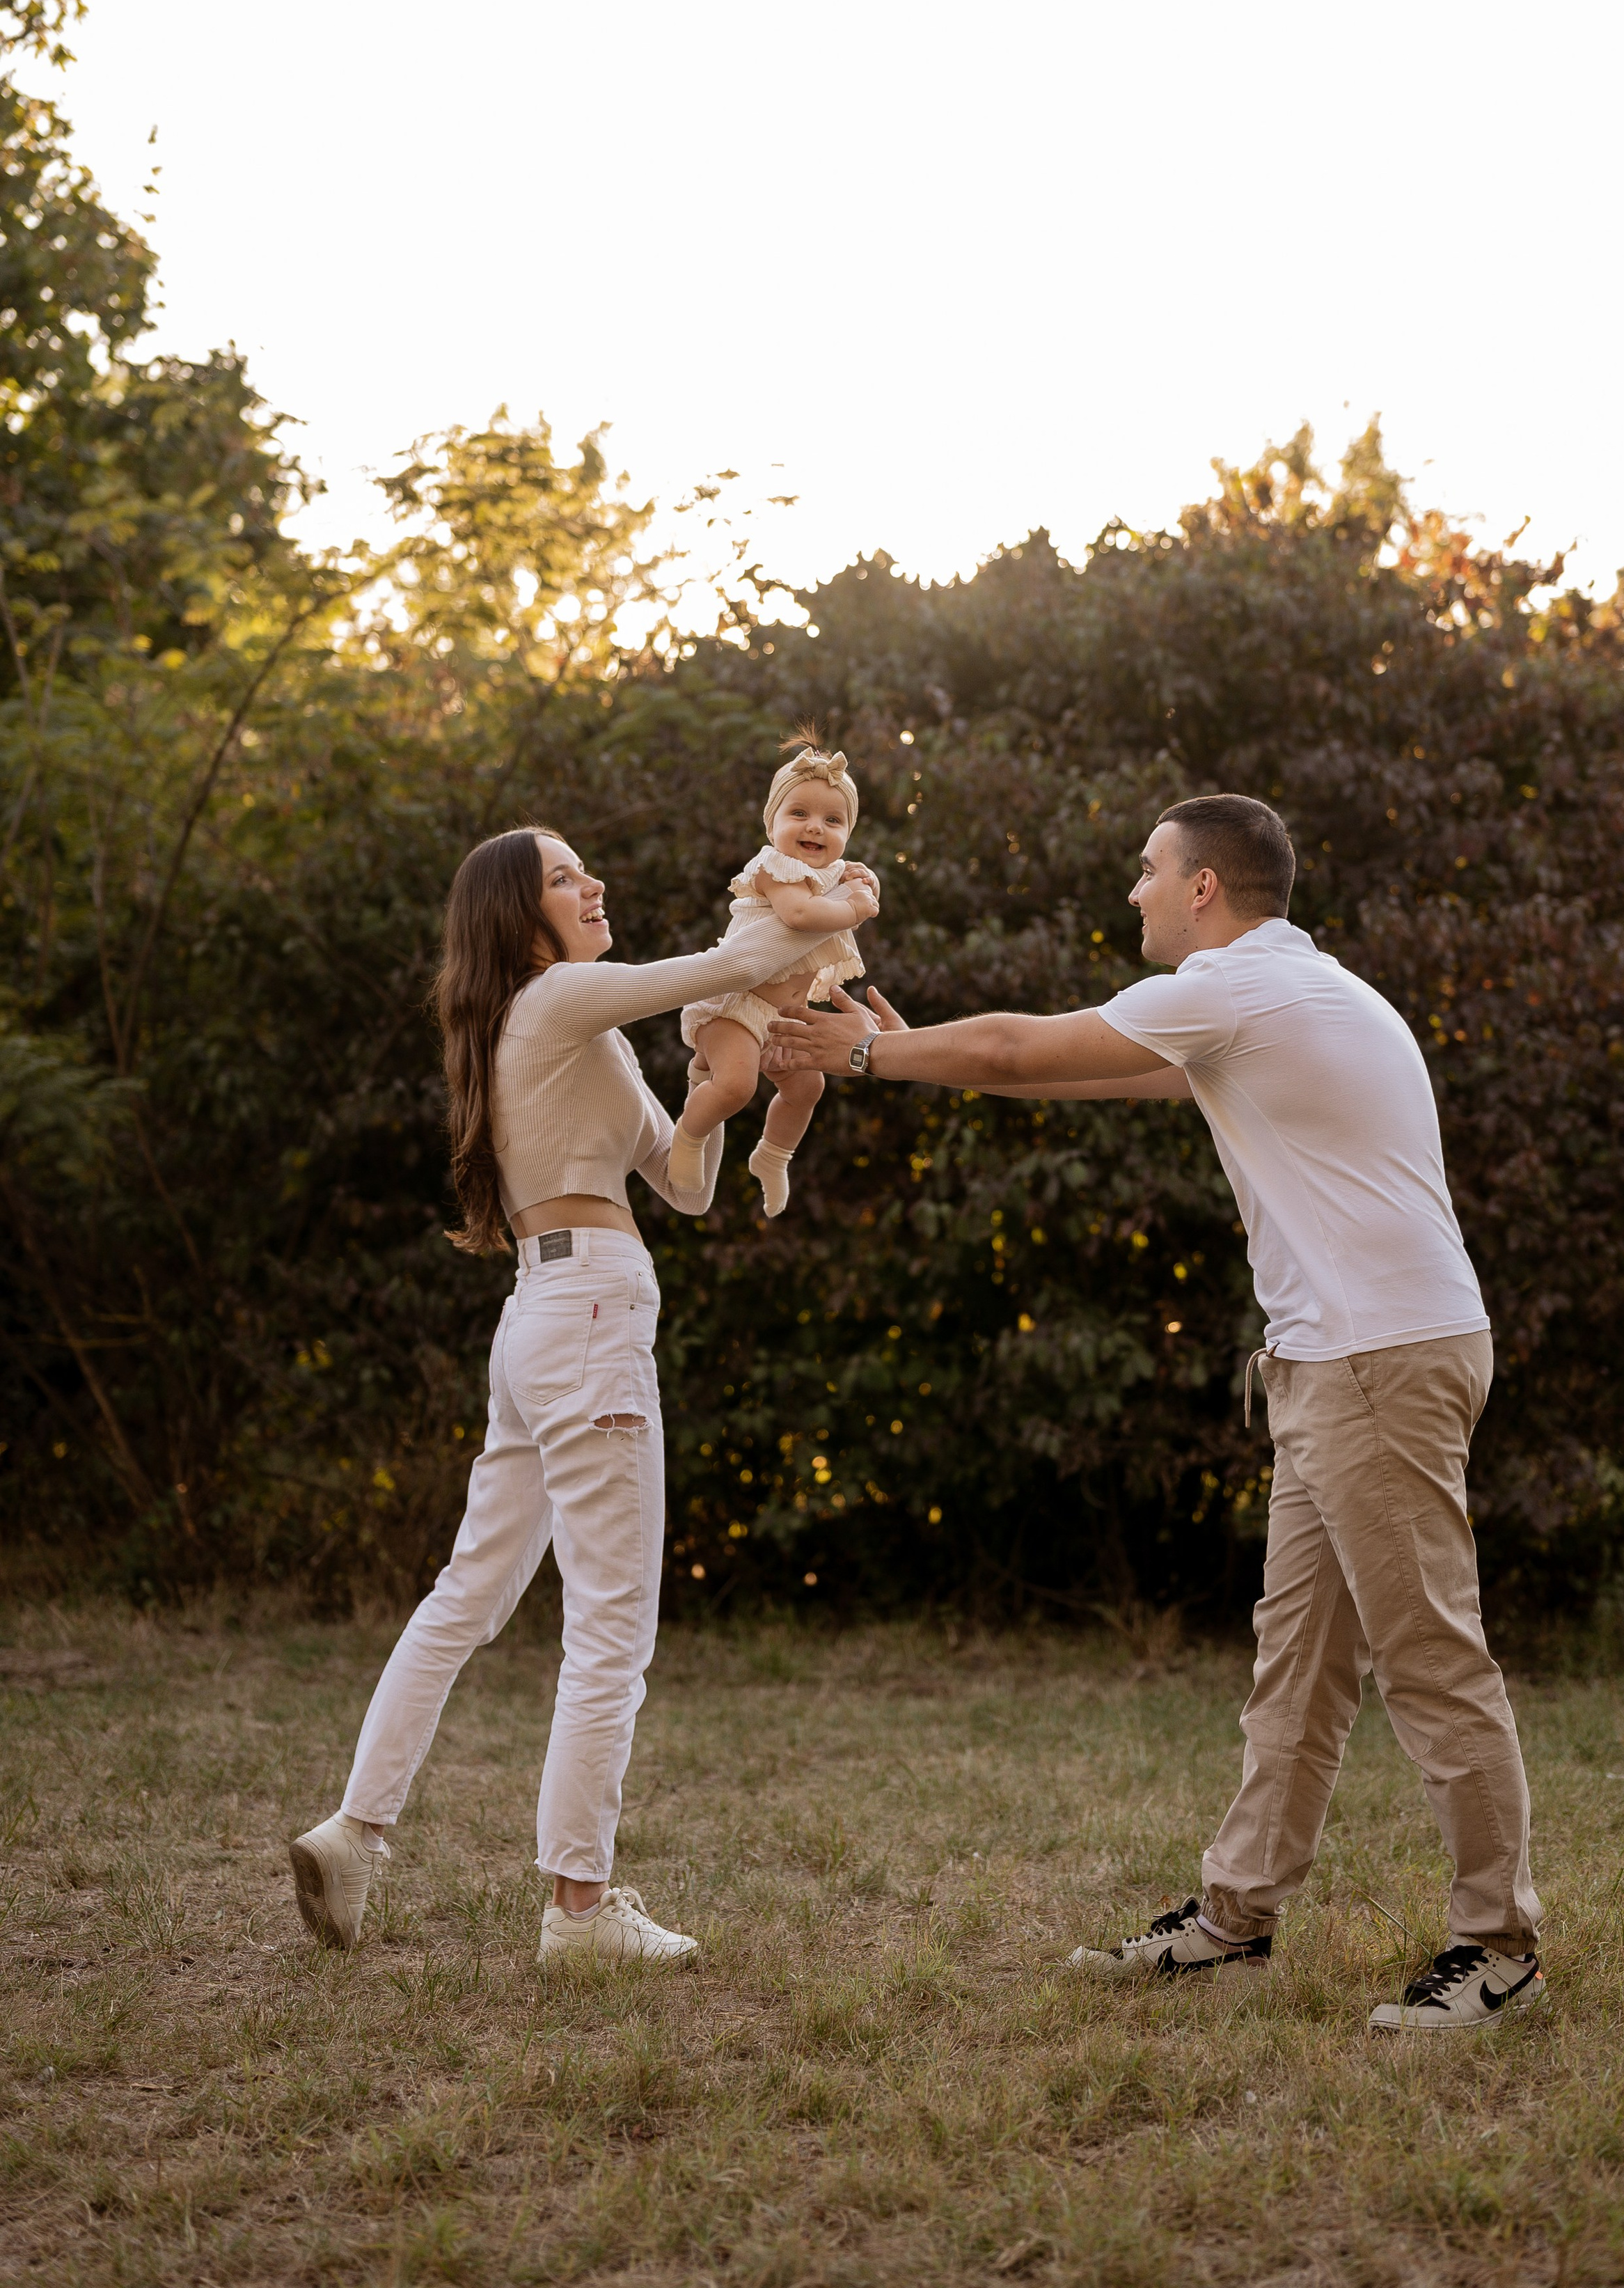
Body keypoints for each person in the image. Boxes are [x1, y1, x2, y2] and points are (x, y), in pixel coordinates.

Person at [766, 792, 1543, 2033]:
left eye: (1147, 870)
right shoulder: (1299, 991)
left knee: (1430, 1659)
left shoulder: (1236, 986)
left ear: (1202, 888)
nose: (1133, 891)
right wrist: (912, 1054)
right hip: (1354, 1357)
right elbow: (1089, 1070)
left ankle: (1497, 1945)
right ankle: (1236, 1919)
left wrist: (860, 1055)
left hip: (1375, 1364)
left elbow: (1022, 1046)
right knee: (1298, 1667)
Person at [288, 823, 824, 1972]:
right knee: (611, 1623)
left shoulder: (560, 1028)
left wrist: (719, 1096)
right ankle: (579, 1911)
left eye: (586, 869)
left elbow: (681, 1184)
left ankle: (354, 1832)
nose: (594, 884)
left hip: (546, 1317)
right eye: (566, 877)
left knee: (467, 1593)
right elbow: (730, 963)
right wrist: (824, 896)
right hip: (587, 1320)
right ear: (519, 919)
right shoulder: (559, 998)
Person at [670, 733, 881, 1217]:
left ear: (847, 834)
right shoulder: (772, 868)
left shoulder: (836, 874)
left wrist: (867, 884)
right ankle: (687, 1137)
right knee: (737, 1086)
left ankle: (772, 1156)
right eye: (799, 814)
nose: (815, 827)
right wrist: (854, 906)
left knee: (808, 1089)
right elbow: (800, 916)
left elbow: (863, 894)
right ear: (773, 824)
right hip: (735, 1004)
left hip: (786, 1015)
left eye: (833, 820)